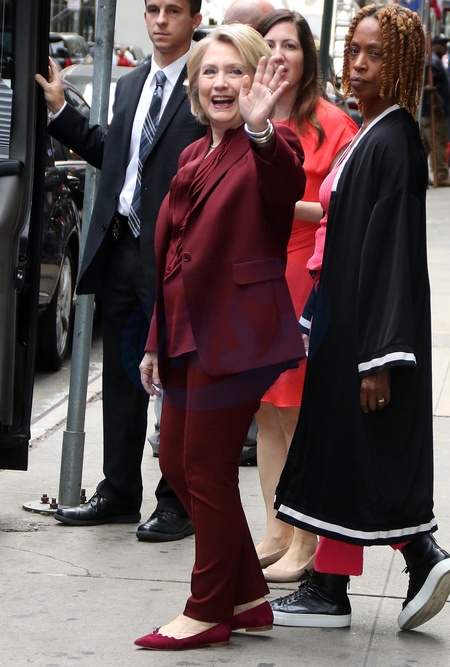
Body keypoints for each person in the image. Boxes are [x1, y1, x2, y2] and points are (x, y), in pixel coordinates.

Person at [269, 3, 450, 632]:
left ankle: (407, 561)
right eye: (354, 51)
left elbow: (392, 252)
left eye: (376, 53)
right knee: (345, 454)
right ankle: (333, 585)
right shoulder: (372, 132)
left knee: (361, 452)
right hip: (343, 323)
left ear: (402, 63)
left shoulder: (393, 140)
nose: (360, 64)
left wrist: (380, 356)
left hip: (365, 336)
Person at [134, 24, 306, 651]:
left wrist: (261, 130)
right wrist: (154, 341)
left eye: (235, 71)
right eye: (210, 71)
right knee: (176, 463)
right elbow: (174, 257)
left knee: (205, 469)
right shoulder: (191, 156)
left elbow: (286, 185)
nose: (221, 83)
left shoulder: (270, 144)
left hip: (235, 335)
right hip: (185, 332)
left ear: (256, 79)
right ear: (195, 83)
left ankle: (207, 609)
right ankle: (247, 596)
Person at [35, 0, 206, 542]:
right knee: (123, 376)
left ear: (195, 19)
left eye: (173, 10)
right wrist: (62, 113)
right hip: (122, 245)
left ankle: (176, 502)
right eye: (153, 9)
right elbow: (115, 156)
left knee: (175, 379)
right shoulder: (131, 86)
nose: (160, 20)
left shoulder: (205, 86)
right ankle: (119, 491)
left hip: (176, 254)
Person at [253, 9, 358, 583]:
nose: (278, 55)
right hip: (255, 272)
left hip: (302, 272)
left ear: (307, 56)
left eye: (289, 45)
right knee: (266, 408)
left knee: (295, 410)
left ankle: (305, 540)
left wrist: (280, 204)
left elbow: (345, 206)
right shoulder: (252, 112)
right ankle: (276, 529)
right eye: (269, 44)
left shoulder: (332, 123)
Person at [420, 33, 450, 187]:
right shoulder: (432, 62)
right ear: (433, 45)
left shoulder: (433, 60)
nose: (444, 47)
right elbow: (427, 84)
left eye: (445, 44)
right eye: (440, 44)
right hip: (433, 111)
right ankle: (441, 174)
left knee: (424, 146)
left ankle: (420, 176)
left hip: (428, 112)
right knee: (437, 142)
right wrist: (436, 98)